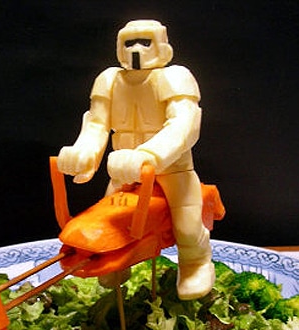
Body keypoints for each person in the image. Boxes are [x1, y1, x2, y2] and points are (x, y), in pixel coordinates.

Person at [57, 20, 214, 300]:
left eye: (145, 41)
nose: (136, 49)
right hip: (123, 172)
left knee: (187, 227)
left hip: (173, 170)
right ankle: (115, 262)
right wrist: (83, 154)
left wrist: (148, 155)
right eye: (129, 42)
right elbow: (97, 125)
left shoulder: (175, 77)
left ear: (163, 46)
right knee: (107, 223)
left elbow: (184, 125)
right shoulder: (108, 80)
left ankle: (196, 263)